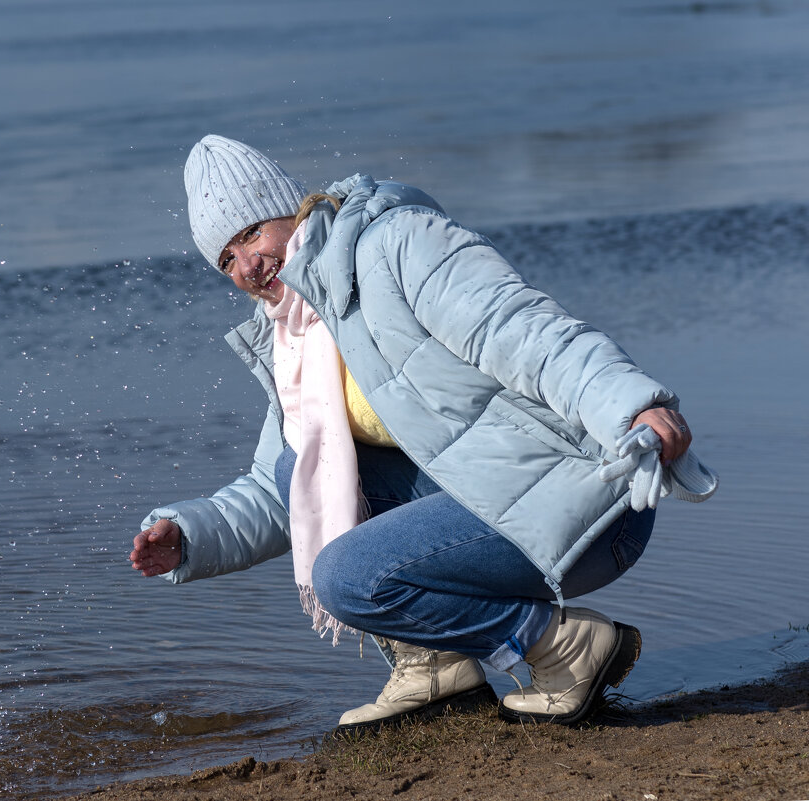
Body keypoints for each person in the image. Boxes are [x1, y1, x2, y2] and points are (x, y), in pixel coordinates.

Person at [129, 134, 717, 735]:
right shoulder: (296, 334)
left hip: (591, 503)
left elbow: (521, 330)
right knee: (299, 465)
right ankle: (436, 664)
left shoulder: (395, 243)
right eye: (226, 260)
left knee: (346, 576)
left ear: (294, 209)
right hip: (490, 505)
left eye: (251, 234)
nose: (248, 267)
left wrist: (630, 405)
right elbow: (283, 484)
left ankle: (558, 646)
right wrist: (191, 535)